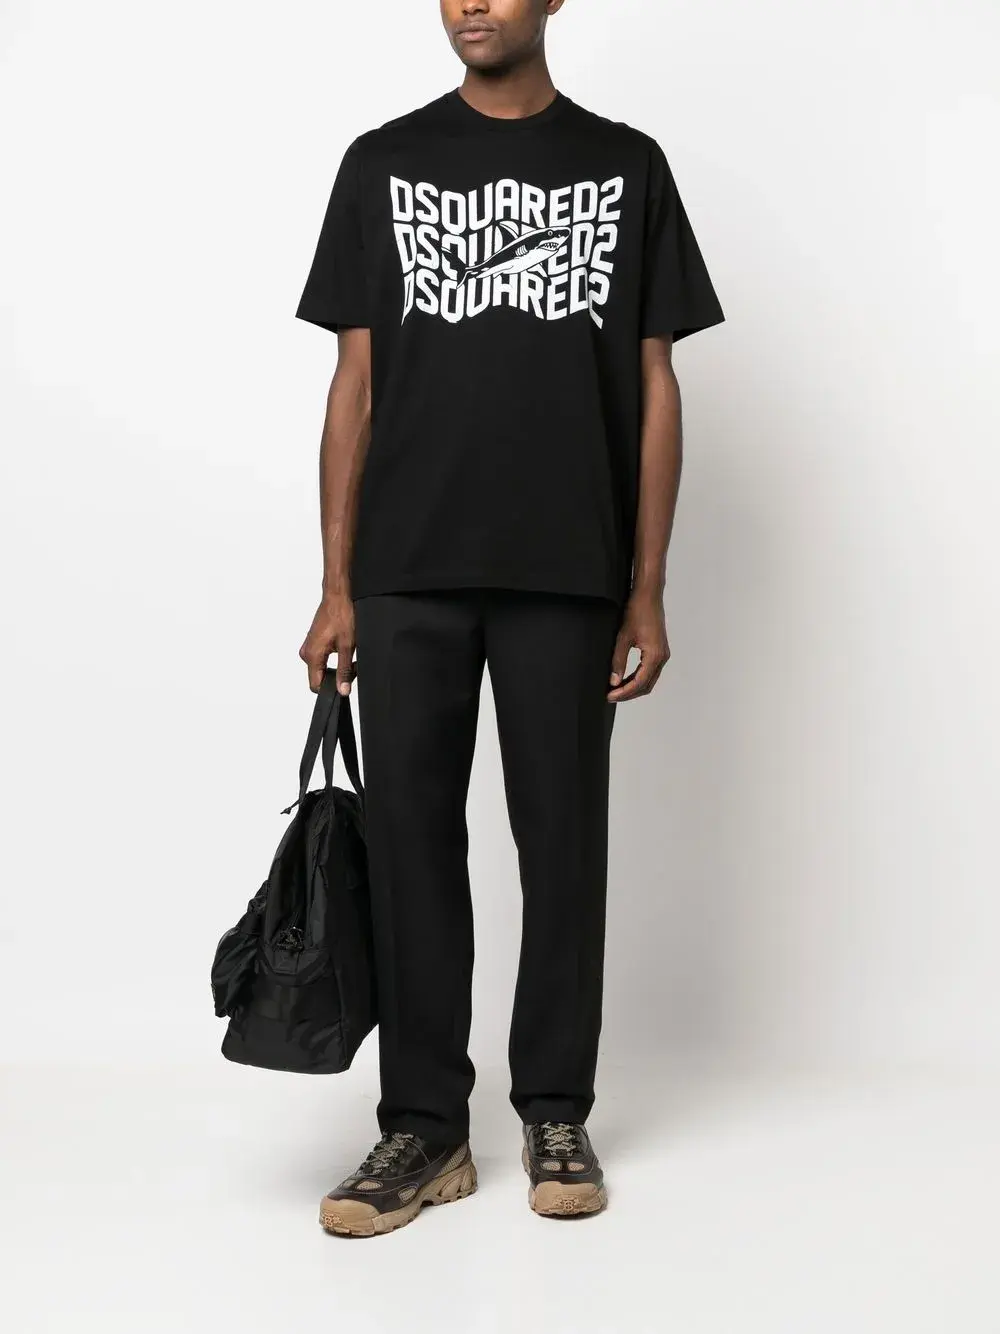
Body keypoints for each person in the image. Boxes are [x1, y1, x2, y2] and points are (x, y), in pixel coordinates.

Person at [295, 0, 724, 1237]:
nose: (469, 2)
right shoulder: (382, 163)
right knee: (410, 848)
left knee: (562, 846)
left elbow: (653, 381)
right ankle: (424, 1125)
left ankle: (554, 1108)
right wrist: (336, 580)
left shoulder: (626, 166)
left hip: (566, 565)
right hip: (407, 567)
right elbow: (354, 382)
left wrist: (646, 582)